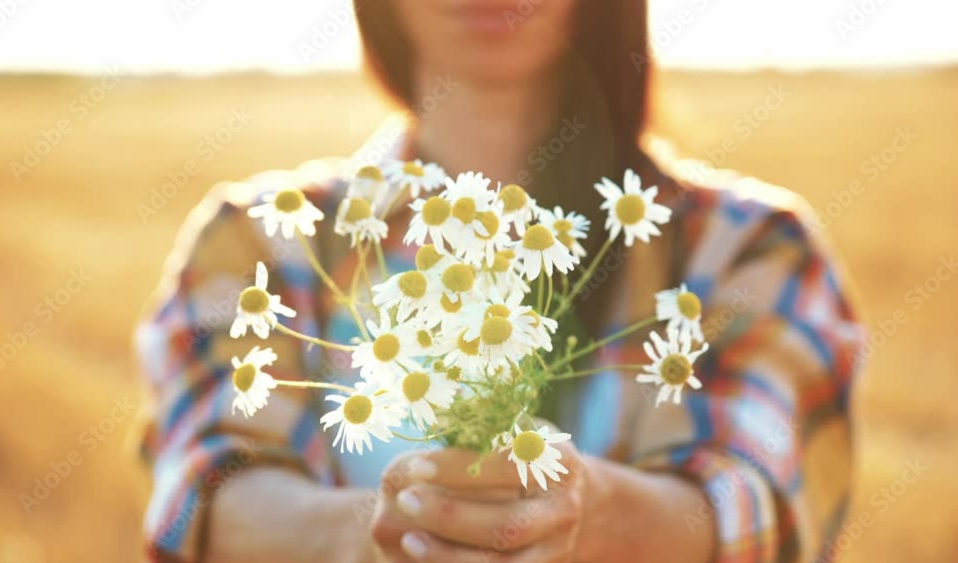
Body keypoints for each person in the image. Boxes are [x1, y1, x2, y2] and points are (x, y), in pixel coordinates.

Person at [136, 1, 865, 561]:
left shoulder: (747, 248)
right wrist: (389, 534)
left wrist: (586, 513)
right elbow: (202, 493)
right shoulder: (258, 237)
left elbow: (767, 510)